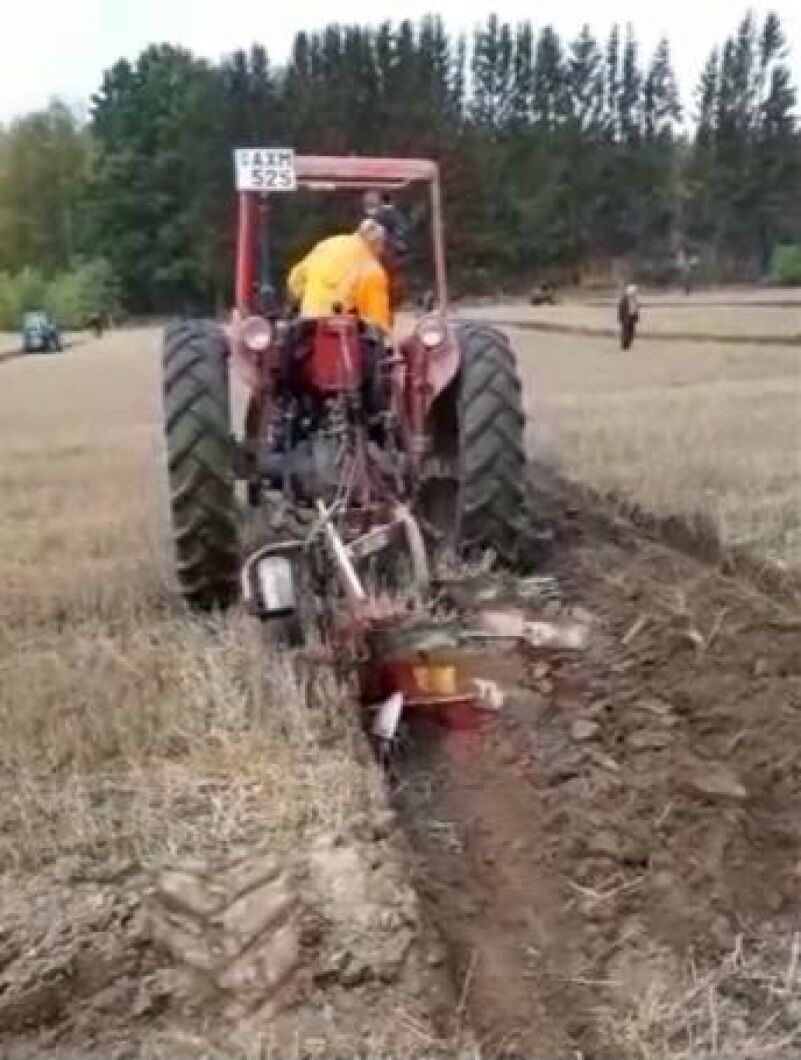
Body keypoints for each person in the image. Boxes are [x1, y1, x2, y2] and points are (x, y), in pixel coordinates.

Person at [287, 217, 392, 332]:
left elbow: (294, 281)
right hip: (345, 334)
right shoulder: (373, 270)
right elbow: (378, 324)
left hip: (309, 328)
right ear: (378, 243)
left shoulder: (328, 244)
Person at [618, 283, 640, 350]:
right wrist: (621, 318)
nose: (635, 293)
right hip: (626, 317)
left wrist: (637, 316)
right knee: (625, 331)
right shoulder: (624, 299)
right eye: (634, 291)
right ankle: (624, 345)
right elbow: (621, 309)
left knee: (631, 331)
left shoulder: (634, 299)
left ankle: (628, 344)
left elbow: (636, 308)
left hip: (632, 316)